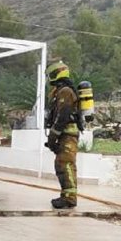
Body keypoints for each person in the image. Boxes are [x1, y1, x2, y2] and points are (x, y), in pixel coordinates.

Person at [44, 58, 79, 209]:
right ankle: (65, 195)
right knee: (61, 164)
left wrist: (53, 135)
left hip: (67, 134)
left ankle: (70, 198)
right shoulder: (59, 91)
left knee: (66, 164)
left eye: (49, 75)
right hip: (63, 134)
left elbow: (63, 115)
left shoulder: (65, 91)